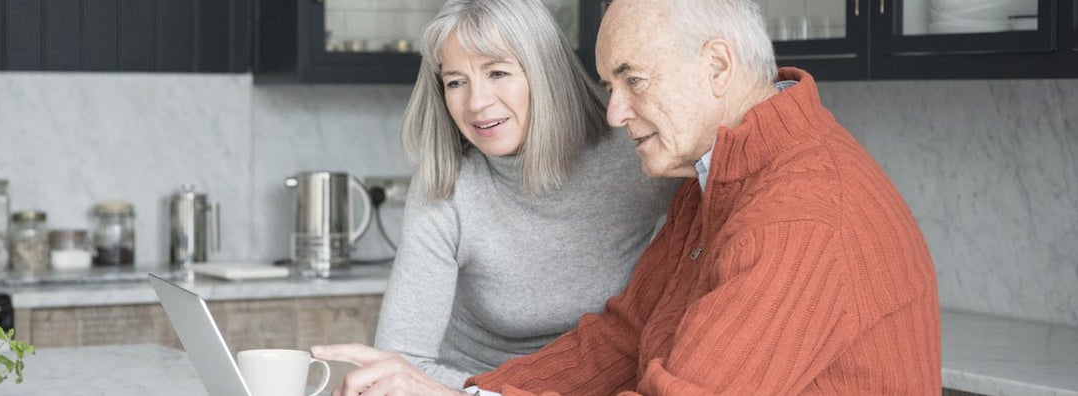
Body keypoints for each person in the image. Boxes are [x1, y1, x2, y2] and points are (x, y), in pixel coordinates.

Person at [313, 0, 942, 394]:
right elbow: (624, 336)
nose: (614, 113)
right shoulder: (714, 178)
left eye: (633, 81)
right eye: (611, 83)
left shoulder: (799, 217)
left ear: (717, 67)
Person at [367, 0, 678, 390]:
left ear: (545, 72)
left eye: (497, 72)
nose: (476, 102)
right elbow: (401, 363)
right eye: (455, 81)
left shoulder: (631, 150)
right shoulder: (448, 185)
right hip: (473, 386)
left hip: (605, 381)